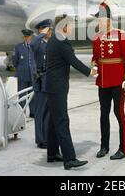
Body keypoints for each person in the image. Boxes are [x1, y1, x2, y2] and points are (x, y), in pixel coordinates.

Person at [45, 15, 98, 170]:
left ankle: (52, 153)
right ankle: (69, 159)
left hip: (52, 86)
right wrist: (90, 72)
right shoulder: (61, 42)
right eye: (70, 25)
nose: (72, 28)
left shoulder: (53, 40)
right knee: (62, 121)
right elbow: (73, 61)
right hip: (57, 88)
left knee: (53, 122)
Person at [92, 1, 125, 160]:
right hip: (103, 82)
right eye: (98, 19)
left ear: (109, 19)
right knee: (103, 114)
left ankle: (124, 148)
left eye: (101, 18)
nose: (99, 21)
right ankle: (104, 146)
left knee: (119, 113)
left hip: (118, 82)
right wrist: (94, 67)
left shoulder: (120, 34)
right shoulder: (96, 37)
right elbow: (95, 58)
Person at [31, 19, 55, 149]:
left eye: (50, 29)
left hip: (49, 82)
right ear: (41, 30)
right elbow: (32, 44)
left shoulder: (49, 43)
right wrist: (41, 34)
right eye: (47, 30)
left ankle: (46, 136)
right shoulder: (37, 43)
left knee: (47, 112)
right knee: (40, 112)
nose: (50, 32)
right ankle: (40, 139)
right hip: (40, 82)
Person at [12, 29, 36, 117]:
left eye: (28, 36)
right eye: (25, 36)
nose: (26, 38)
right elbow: (15, 61)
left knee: (32, 94)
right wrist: (20, 69)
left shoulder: (35, 46)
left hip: (33, 75)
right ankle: (22, 113)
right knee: (22, 95)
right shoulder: (18, 47)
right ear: (23, 37)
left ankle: (33, 112)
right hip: (22, 75)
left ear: (31, 37)